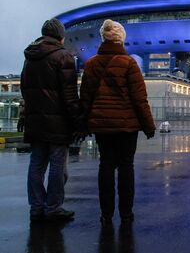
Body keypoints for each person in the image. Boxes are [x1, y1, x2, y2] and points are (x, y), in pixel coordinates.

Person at [80, 19, 155, 225]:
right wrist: (148, 125)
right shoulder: (130, 63)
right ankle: (126, 213)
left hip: (102, 125)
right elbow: (139, 99)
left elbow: (85, 97)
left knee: (105, 165)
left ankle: (106, 214)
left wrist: (84, 124)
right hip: (126, 126)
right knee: (125, 166)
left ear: (103, 38)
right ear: (121, 39)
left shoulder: (92, 63)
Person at [21, 18, 84, 222]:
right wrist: (77, 120)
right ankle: (53, 207)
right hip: (58, 122)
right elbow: (70, 94)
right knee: (58, 166)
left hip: (35, 120)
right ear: (60, 35)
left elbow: (24, 89)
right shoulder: (63, 56)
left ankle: (36, 207)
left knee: (36, 164)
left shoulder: (29, 57)